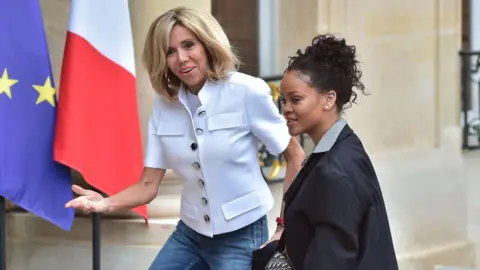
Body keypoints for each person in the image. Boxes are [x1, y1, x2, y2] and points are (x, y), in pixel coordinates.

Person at [64, 6, 305, 270]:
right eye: (170, 51)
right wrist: (104, 204)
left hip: (242, 234)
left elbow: (295, 156)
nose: (181, 58)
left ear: (207, 44)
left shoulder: (247, 91)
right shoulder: (164, 105)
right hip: (190, 234)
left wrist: (283, 227)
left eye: (189, 45)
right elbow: (147, 186)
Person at [254, 34, 399, 269]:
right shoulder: (345, 144)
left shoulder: (333, 172)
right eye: (284, 101)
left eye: (296, 99)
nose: (286, 109)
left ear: (329, 99)